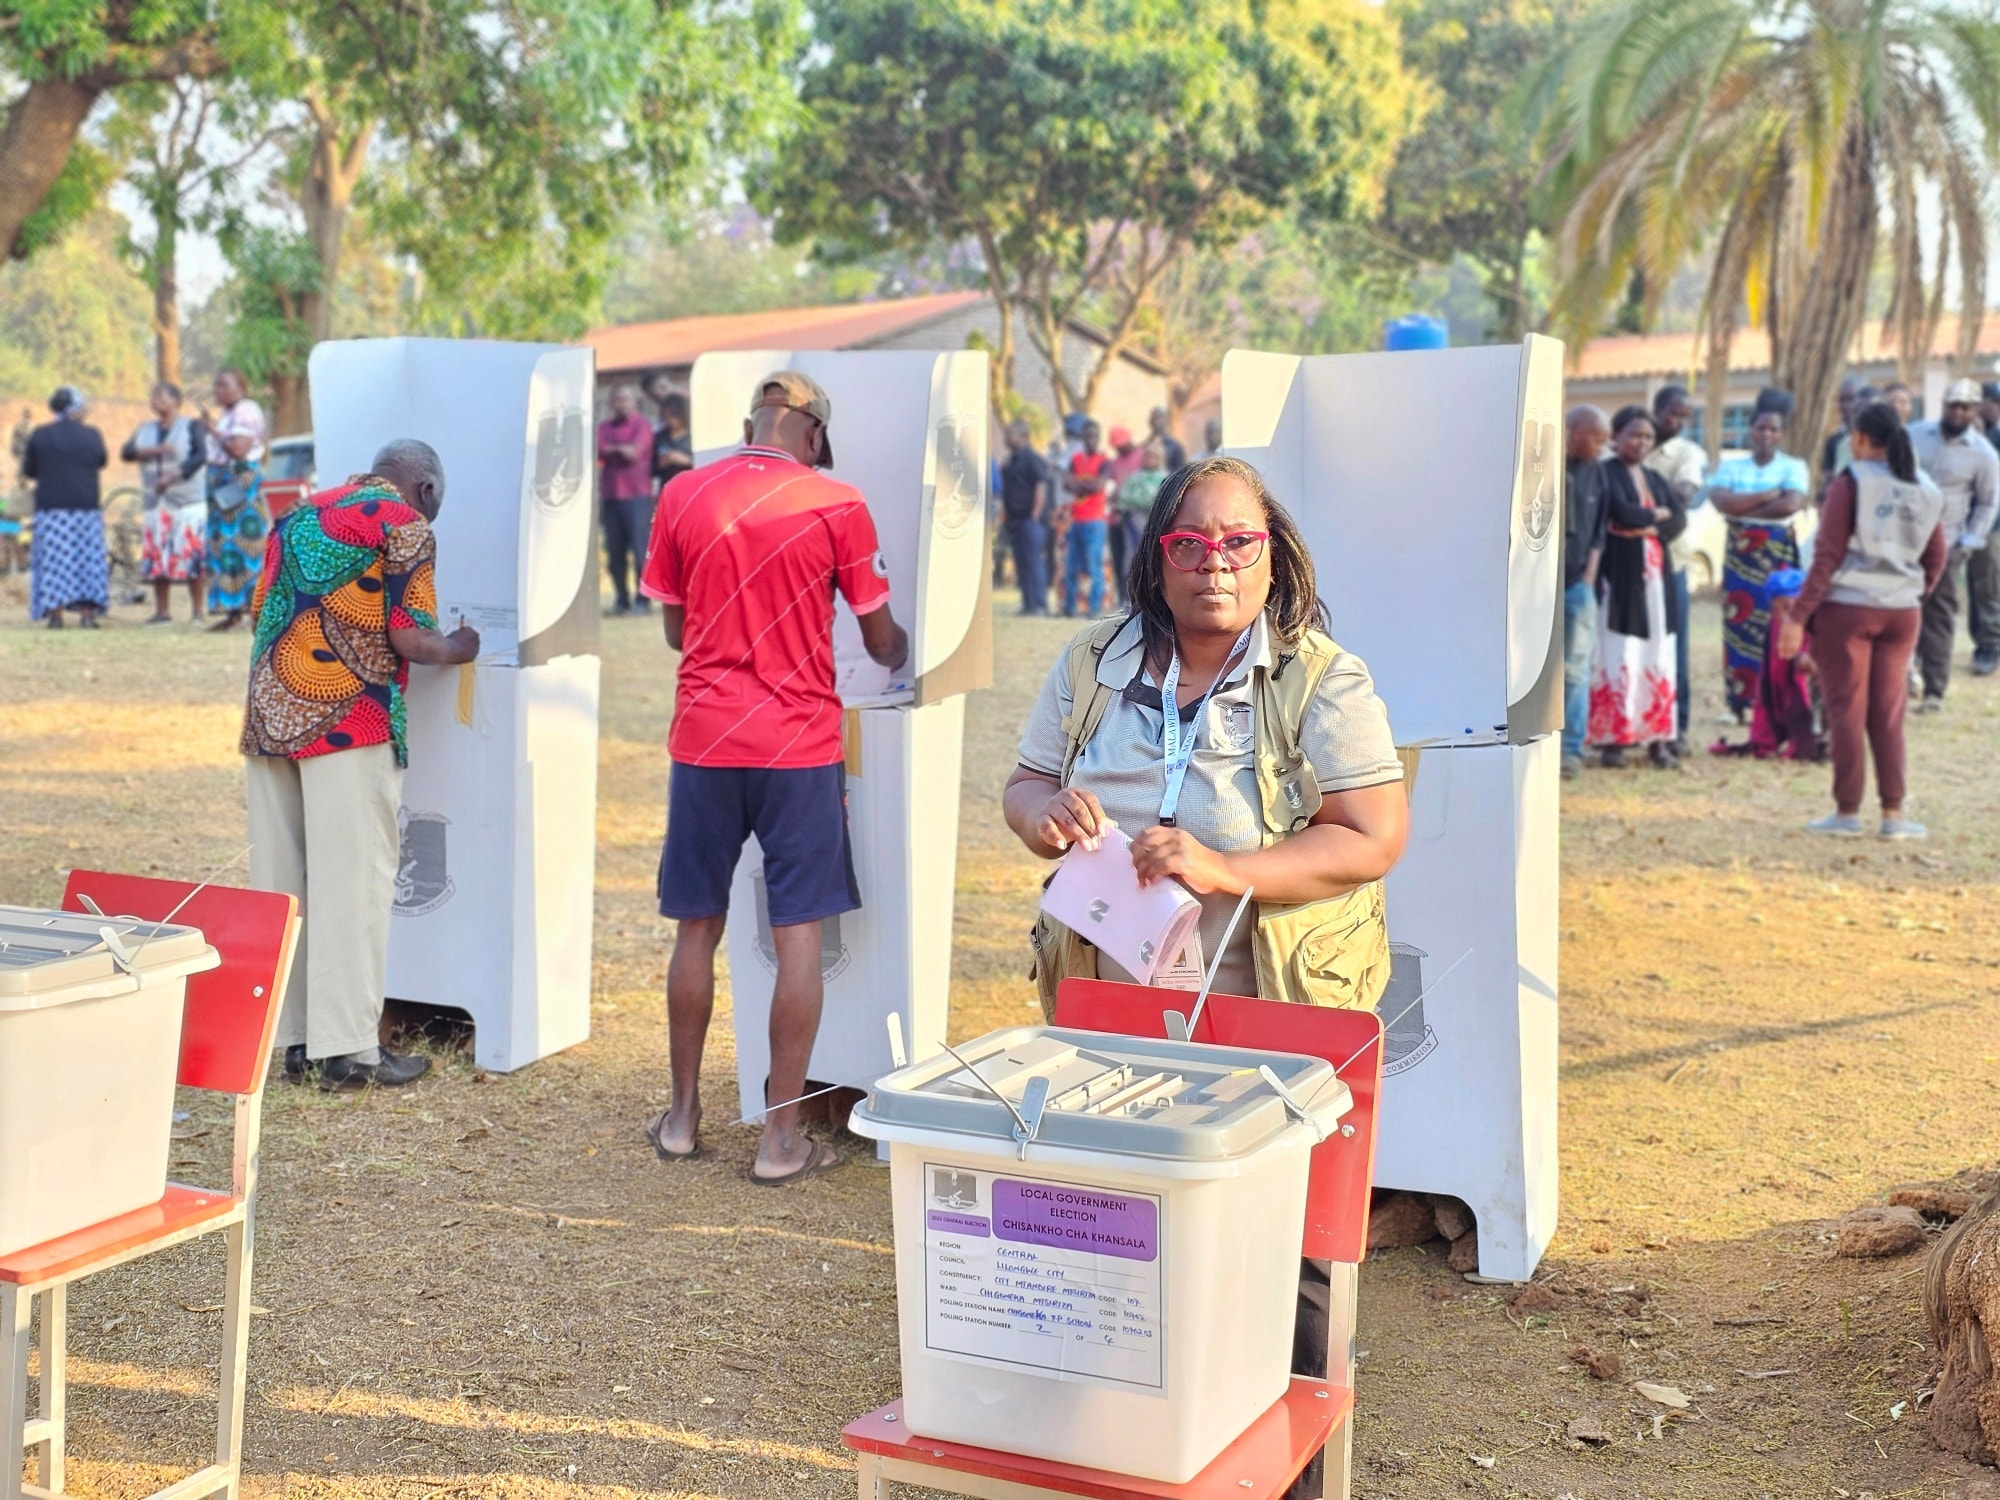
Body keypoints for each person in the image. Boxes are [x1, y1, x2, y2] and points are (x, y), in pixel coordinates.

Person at [1004, 456, 1406, 1500]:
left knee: (1286, 1241)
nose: (1213, 565)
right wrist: (1040, 814)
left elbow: (1370, 835)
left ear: (1271, 557)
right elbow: (1026, 782)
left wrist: (1227, 868)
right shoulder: (1093, 661)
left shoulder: (1323, 677)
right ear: (1157, 555)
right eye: (1190, 544)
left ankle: (1289, 1473)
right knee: (1121, 1220)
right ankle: (1134, 1444)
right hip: (1118, 996)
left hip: (1267, 1002)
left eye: (1238, 543)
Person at [639, 371, 909, 1186]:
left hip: (706, 741)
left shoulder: (684, 491)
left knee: (697, 928)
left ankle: (683, 1119)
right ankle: (780, 1140)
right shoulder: (836, 502)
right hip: (797, 746)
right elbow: (879, 634)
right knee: (797, 937)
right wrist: (898, 652)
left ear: (752, 422)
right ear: (815, 435)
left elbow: (675, 627)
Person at [242, 439, 481, 1089]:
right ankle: (349, 1051)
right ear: (426, 492)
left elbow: (257, 612)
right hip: (351, 723)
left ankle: (292, 1043)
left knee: (282, 883)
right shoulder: (404, 525)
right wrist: (461, 645)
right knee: (355, 883)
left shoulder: (295, 515)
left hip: (269, 720)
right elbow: (410, 636)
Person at [1782, 401, 1945, 838]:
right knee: (1889, 715)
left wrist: (1798, 617)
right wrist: (1910, 594)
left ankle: (1847, 813)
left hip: (1848, 609)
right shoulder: (1926, 487)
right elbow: (1936, 558)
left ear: (1858, 438)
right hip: (1902, 612)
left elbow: (1826, 558)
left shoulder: (1850, 482)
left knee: (1846, 711)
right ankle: (1894, 815)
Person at [1589, 406, 1687, 768]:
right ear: (1615, 437)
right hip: (1622, 577)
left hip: (1656, 580)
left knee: (1658, 652)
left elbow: (1679, 520)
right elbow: (1621, 512)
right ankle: (1614, 741)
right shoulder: (1605, 473)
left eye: (1647, 436)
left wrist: (1649, 521)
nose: (1641, 442)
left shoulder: (1655, 477)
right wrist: (1653, 517)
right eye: (1634, 435)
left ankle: (1657, 739)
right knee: (1620, 652)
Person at [1706, 408, 1810, 717]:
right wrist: (1768, 495)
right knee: (1738, 626)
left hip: (1776, 553)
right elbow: (1721, 501)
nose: (1766, 434)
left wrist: (1743, 511)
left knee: (1779, 621)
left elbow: (1790, 504)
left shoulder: (1794, 466)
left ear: (1781, 434)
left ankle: (1778, 702)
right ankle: (1738, 703)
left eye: (1773, 429)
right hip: (1740, 556)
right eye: (1761, 427)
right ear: (1750, 430)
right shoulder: (1731, 466)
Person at [1907, 378, 1999, 711]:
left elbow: (1989, 503)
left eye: (1965, 407)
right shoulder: (1914, 435)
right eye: (1952, 405)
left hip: (1946, 544)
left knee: (1938, 617)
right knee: (1899, 611)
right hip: (1904, 541)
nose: (1957, 412)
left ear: (1975, 411)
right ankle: (1901, 681)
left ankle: (1934, 691)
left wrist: (1969, 542)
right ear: (1943, 405)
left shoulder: (1983, 454)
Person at [1644, 385, 1703, 753]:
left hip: (1672, 559)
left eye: (1684, 416)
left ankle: (1676, 726)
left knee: (1675, 643)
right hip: (1629, 562)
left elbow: (1684, 494)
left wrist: (1633, 491)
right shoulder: (1627, 443)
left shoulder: (1686, 453)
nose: (1677, 421)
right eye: (1673, 413)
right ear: (1656, 408)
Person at [22, 385, 109, 629]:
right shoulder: (92, 434)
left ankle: (56, 615)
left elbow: (29, 470)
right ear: (77, 408)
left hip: (52, 510)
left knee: (55, 561)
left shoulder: (40, 434)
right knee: (86, 562)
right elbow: (101, 461)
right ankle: (87, 614)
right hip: (85, 508)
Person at [125, 380, 208, 624]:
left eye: (161, 396)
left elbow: (200, 456)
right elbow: (127, 452)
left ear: (175, 401)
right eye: (153, 397)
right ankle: (162, 611)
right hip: (155, 501)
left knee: (193, 555)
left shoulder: (191, 426)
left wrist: (175, 475)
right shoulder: (144, 429)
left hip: (187, 501)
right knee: (157, 554)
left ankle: (197, 611)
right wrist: (153, 451)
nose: (155, 401)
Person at [1561, 406, 1611, 778]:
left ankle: (1570, 750)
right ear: (1575, 432)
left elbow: (1597, 533)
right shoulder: (1546, 467)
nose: (1602, 446)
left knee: (1575, 669)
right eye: (1598, 437)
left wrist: (1589, 579)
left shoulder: (1597, 473)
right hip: (1537, 591)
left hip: (1578, 585)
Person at [200, 367, 268, 632]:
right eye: (216, 386)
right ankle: (230, 610)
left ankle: (251, 608)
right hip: (222, 484)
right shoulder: (229, 414)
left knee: (242, 545)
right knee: (222, 545)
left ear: (240, 386)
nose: (219, 391)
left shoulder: (246, 411)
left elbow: (239, 450)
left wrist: (213, 431)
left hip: (239, 484)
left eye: (224, 385)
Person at [597, 385, 656, 616]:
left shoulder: (642, 425)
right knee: (614, 552)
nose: (621, 403)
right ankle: (621, 599)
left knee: (640, 550)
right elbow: (598, 450)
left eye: (625, 399)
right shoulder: (604, 427)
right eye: (618, 399)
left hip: (637, 496)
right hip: (611, 496)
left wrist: (614, 450)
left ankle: (643, 601)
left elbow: (634, 453)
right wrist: (620, 450)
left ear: (634, 402)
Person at [1063, 419, 1113, 618]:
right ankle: (1069, 607)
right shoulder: (1075, 459)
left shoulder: (1104, 461)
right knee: (1071, 566)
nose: (1090, 440)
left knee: (1094, 567)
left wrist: (1078, 484)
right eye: (1087, 436)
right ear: (1082, 438)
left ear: (1098, 438)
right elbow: (1065, 483)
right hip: (1076, 520)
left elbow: (1098, 486)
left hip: (1095, 521)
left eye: (1093, 436)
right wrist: (1083, 485)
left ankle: (1094, 607)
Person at [999, 419, 1050, 615]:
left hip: (1030, 521)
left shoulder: (1032, 459)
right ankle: (1028, 604)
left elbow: (1040, 487)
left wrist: (1034, 517)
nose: (1006, 439)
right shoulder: (1011, 460)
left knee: (1033, 561)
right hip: (1014, 521)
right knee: (1021, 563)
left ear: (1023, 436)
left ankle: (1039, 605)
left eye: (1010, 434)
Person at [1113, 438, 1169, 600]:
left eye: (1153, 456)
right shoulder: (1135, 477)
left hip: (1155, 523)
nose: (1149, 459)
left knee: (1153, 560)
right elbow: (1123, 497)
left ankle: (1153, 598)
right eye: (1147, 456)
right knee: (1131, 559)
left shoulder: (1164, 478)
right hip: (1133, 523)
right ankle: (1129, 598)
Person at [1103, 425, 1145, 604]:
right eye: (1116, 446)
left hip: (1135, 518)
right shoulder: (1115, 463)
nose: (1119, 448)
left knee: (1134, 558)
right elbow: (1110, 487)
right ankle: (1122, 597)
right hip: (1115, 518)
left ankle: (1137, 598)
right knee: (1119, 559)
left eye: (1121, 444)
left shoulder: (1142, 457)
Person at [1822, 375, 1867, 476]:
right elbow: (1829, 479)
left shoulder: (1879, 437)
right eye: (1842, 400)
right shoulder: (1834, 441)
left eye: (1851, 399)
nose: (1845, 405)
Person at [651, 388, 694, 489]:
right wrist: (660, 464)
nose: (669, 420)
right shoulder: (660, 437)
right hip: (668, 487)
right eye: (665, 416)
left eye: (673, 416)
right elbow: (651, 468)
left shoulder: (694, 437)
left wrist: (686, 460)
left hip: (690, 486)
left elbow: (706, 464)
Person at [1148, 404, 1188, 471]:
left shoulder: (1175, 447)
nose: (1155, 421)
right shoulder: (1147, 445)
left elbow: (1180, 472)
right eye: (1153, 418)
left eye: (1158, 417)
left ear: (1166, 420)